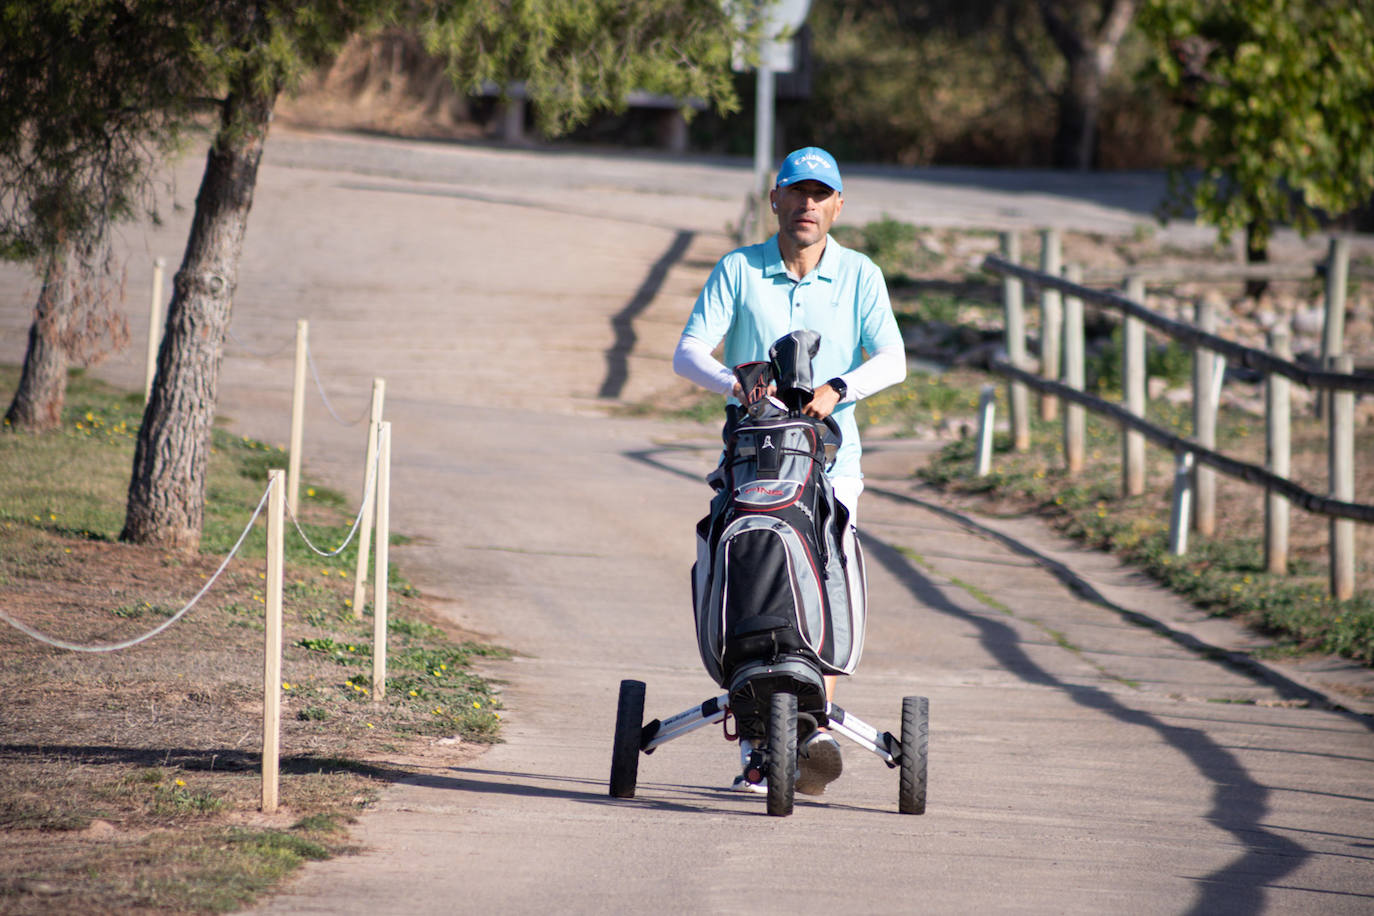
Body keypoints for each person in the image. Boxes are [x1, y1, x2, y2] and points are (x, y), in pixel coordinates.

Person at [673, 146, 906, 795]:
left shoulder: (860, 274)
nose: (806, 206)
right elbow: (688, 351)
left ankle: (813, 728)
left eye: (819, 195)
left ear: (837, 205)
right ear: (773, 200)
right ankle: (756, 740)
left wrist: (838, 386)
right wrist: (740, 383)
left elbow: (893, 359)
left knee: (826, 572)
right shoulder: (739, 269)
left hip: (833, 466)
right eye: (795, 194)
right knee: (748, 574)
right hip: (752, 462)